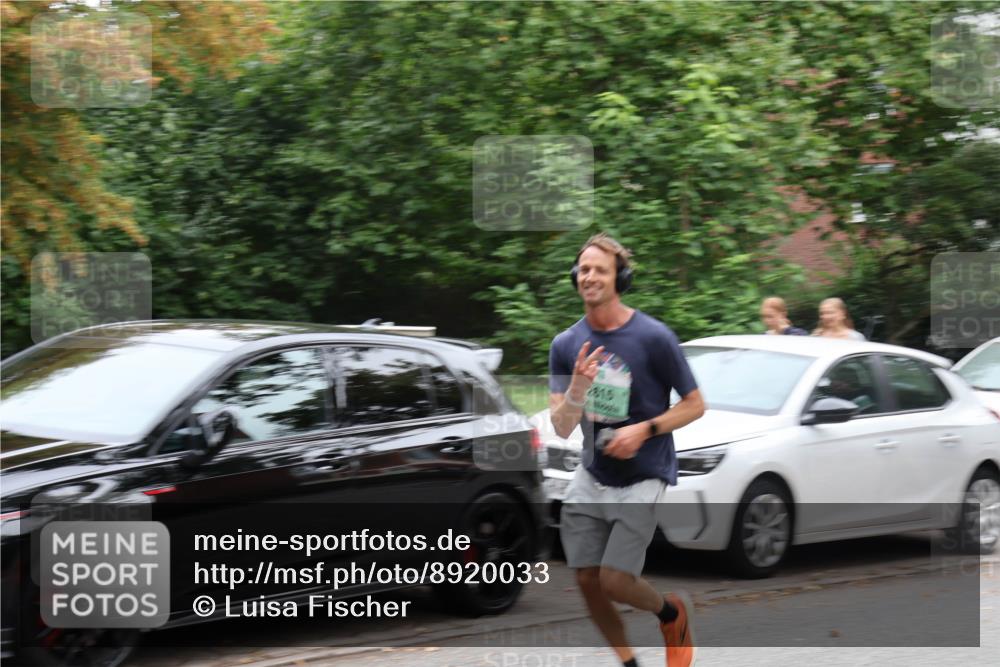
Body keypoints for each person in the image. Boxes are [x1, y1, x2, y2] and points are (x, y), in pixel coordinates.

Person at [549, 233, 705, 667]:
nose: (590, 277)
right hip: (593, 472)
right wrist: (577, 389)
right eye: (584, 269)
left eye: (600, 270)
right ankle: (629, 663)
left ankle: (671, 613)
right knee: (587, 579)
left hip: (644, 471)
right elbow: (561, 426)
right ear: (575, 277)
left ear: (620, 278)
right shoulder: (565, 344)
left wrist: (644, 430)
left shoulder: (653, 337)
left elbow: (695, 405)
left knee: (615, 581)